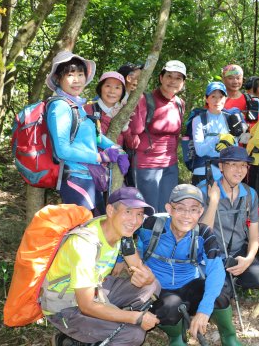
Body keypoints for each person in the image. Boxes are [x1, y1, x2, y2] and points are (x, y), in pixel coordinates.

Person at [125, 184, 240, 346]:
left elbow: (216, 270)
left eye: (194, 210)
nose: (187, 215)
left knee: (221, 292)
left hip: (190, 285)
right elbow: (123, 234)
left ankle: (229, 337)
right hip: (158, 289)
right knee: (169, 307)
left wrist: (204, 310)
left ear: (200, 212)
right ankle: (176, 337)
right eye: (180, 208)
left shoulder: (204, 234)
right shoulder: (151, 225)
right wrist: (119, 261)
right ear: (169, 209)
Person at [44, 187, 160, 345]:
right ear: (111, 210)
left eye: (139, 214)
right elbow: (87, 305)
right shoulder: (85, 244)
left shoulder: (121, 234)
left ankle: (99, 330)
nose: (135, 220)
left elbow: (139, 267)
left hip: (95, 290)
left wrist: (149, 277)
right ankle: (71, 338)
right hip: (64, 307)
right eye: (128, 212)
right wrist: (135, 318)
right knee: (133, 334)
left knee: (152, 285)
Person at [46, 51, 129, 214]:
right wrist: (100, 157)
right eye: (70, 74)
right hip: (75, 179)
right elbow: (62, 150)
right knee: (85, 230)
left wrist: (118, 150)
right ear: (58, 79)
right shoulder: (60, 106)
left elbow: (95, 135)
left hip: (90, 177)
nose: (76, 80)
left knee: (95, 227)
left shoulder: (77, 106)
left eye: (80, 74)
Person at [199, 146, 259, 291]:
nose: (239, 170)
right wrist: (213, 202)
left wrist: (248, 260)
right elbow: (201, 234)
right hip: (212, 255)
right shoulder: (204, 191)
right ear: (221, 166)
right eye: (233, 164)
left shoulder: (250, 194)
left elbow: (254, 235)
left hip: (237, 252)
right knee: (223, 291)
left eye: (243, 165)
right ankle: (225, 282)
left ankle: (232, 278)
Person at [128, 60, 186, 213]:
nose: (173, 81)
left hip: (170, 164)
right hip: (146, 165)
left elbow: (176, 134)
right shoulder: (145, 99)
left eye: (178, 78)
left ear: (183, 82)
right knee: (149, 211)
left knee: (166, 210)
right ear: (161, 78)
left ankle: (161, 238)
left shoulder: (180, 103)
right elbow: (135, 129)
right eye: (169, 76)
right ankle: (145, 238)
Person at [191, 82, 239, 185]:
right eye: (213, 96)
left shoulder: (230, 118)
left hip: (226, 172)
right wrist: (218, 138)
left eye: (221, 97)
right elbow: (200, 151)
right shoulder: (199, 120)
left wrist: (230, 143)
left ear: (225, 99)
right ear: (206, 98)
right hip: (203, 171)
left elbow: (236, 148)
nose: (217, 100)